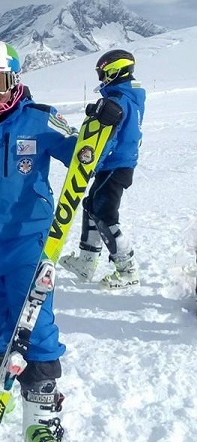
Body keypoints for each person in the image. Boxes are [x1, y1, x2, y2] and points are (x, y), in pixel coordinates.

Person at [0, 40, 119, 442]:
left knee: (36, 325)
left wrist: (103, 131)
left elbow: (86, 157)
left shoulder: (40, 120)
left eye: (1, 82)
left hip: (29, 242)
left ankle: (42, 421)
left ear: (15, 81)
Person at [59, 49, 145, 289]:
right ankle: (86, 262)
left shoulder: (117, 101)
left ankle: (127, 269)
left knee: (105, 214)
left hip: (116, 165)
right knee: (91, 205)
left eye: (102, 73)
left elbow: (109, 138)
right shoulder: (128, 96)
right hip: (117, 164)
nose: (101, 79)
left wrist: (89, 162)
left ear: (114, 70)